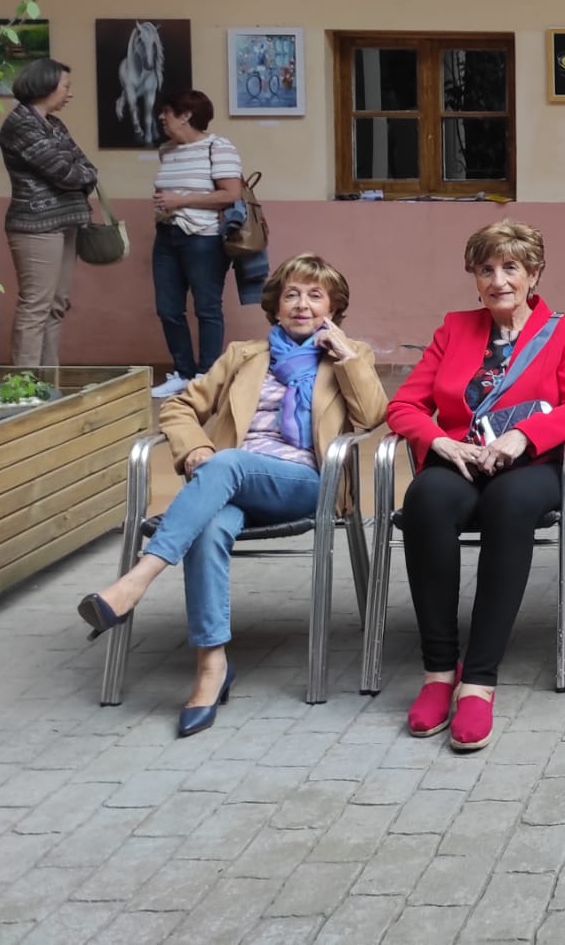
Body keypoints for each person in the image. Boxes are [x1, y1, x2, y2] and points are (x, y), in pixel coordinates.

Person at [74, 254, 387, 736]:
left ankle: (137, 579)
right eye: (291, 295)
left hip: (303, 485)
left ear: (333, 308)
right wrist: (196, 448)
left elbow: (370, 416)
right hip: (229, 480)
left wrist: (344, 356)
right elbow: (179, 404)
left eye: (315, 295)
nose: (301, 305)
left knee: (229, 463)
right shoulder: (244, 356)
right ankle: (211, 665)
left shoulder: (351, 355)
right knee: (209, 524)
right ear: (276, 306)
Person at [387, 222, 565, 751]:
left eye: (511, 268)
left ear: (533, 273)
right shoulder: (454, 329)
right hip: (462, 458)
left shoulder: (564, 330)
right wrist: (441, 443)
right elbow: (404, 406)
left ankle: (479, 681)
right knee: (425, 500)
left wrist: (522, 438)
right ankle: (439, 672)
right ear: (474, 278)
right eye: (487, 269)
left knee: (510, 504)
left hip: (531, 465)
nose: (499, 279)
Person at [0, 57, 97, 367]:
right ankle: (25, 386)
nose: (70, 93)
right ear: (45, 85)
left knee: (56, 305)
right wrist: (81, 175)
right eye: (66, 86)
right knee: (36, 306)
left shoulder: (53, 125)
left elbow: (86, 167)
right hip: (35, 227)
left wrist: (81, 174)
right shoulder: (21, 125)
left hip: (66, 223)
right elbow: (64, 172)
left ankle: (48, 380)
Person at [150, 90, 245, 397]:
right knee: (168, 308)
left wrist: (180, 200)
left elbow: (230, 194)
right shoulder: (167, 150)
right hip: (167, 235)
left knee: (207, 308)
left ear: (186, 115)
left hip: (203, 238)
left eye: (167, 111)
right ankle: (182, 372)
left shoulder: (219, 147)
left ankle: (206, 375)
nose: (162, 117)